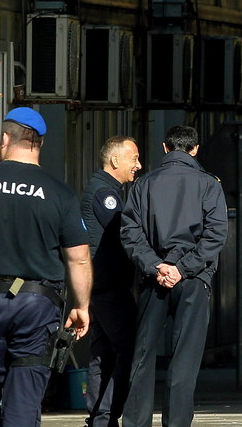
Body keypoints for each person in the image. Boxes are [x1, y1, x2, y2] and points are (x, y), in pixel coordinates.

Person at [0, 107, 92, 426]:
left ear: (4, 139)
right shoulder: (59, 193)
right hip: (37, 307)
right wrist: (81, 306)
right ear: (38, 144)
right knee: (24, 396)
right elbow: (78, 257)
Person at [119, 125, 228, 427]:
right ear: (195, 149)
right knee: (184, 359)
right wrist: (184, 268)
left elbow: (130, 232)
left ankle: (135, 423)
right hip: (193, 280)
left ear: (165, 149)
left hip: (154, 279)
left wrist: (156, 265)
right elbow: (215, 235)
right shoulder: (208, 185)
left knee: (142, 356)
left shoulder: (145, 184)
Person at [82, 136, 143, 427]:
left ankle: (99, 416)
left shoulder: (108, 189)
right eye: (134, 159)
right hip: (108, 286)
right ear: (116, 160)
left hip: (101, 284)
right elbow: (124, 231)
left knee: (103, 352)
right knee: (127, 348)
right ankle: (106, 415)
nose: (138, 166)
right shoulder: (104, 193)